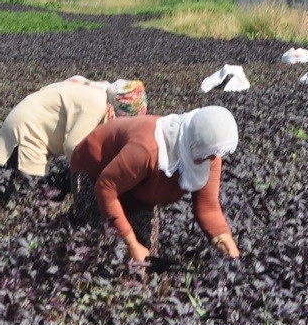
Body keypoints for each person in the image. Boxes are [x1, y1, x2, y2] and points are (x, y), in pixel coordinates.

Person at [70, 105, 241, 266]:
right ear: (193, 145)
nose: (212, 159)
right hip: (95, 171)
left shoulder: (208, 154)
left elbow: (207, 206)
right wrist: (129, 241)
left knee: (146, 256)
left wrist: (226, 244)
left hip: (138, 190)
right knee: (98, 246)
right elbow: (106, 187)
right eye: (208, 155)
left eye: (214, 155)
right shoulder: (147, 149)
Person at [0, 77, 112, 177]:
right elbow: (73, 147)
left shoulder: (96, 93)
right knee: (31, 191)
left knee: (19, 186)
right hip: (28, 130)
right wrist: (95, 173)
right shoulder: (97, 104)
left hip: (26, 122)